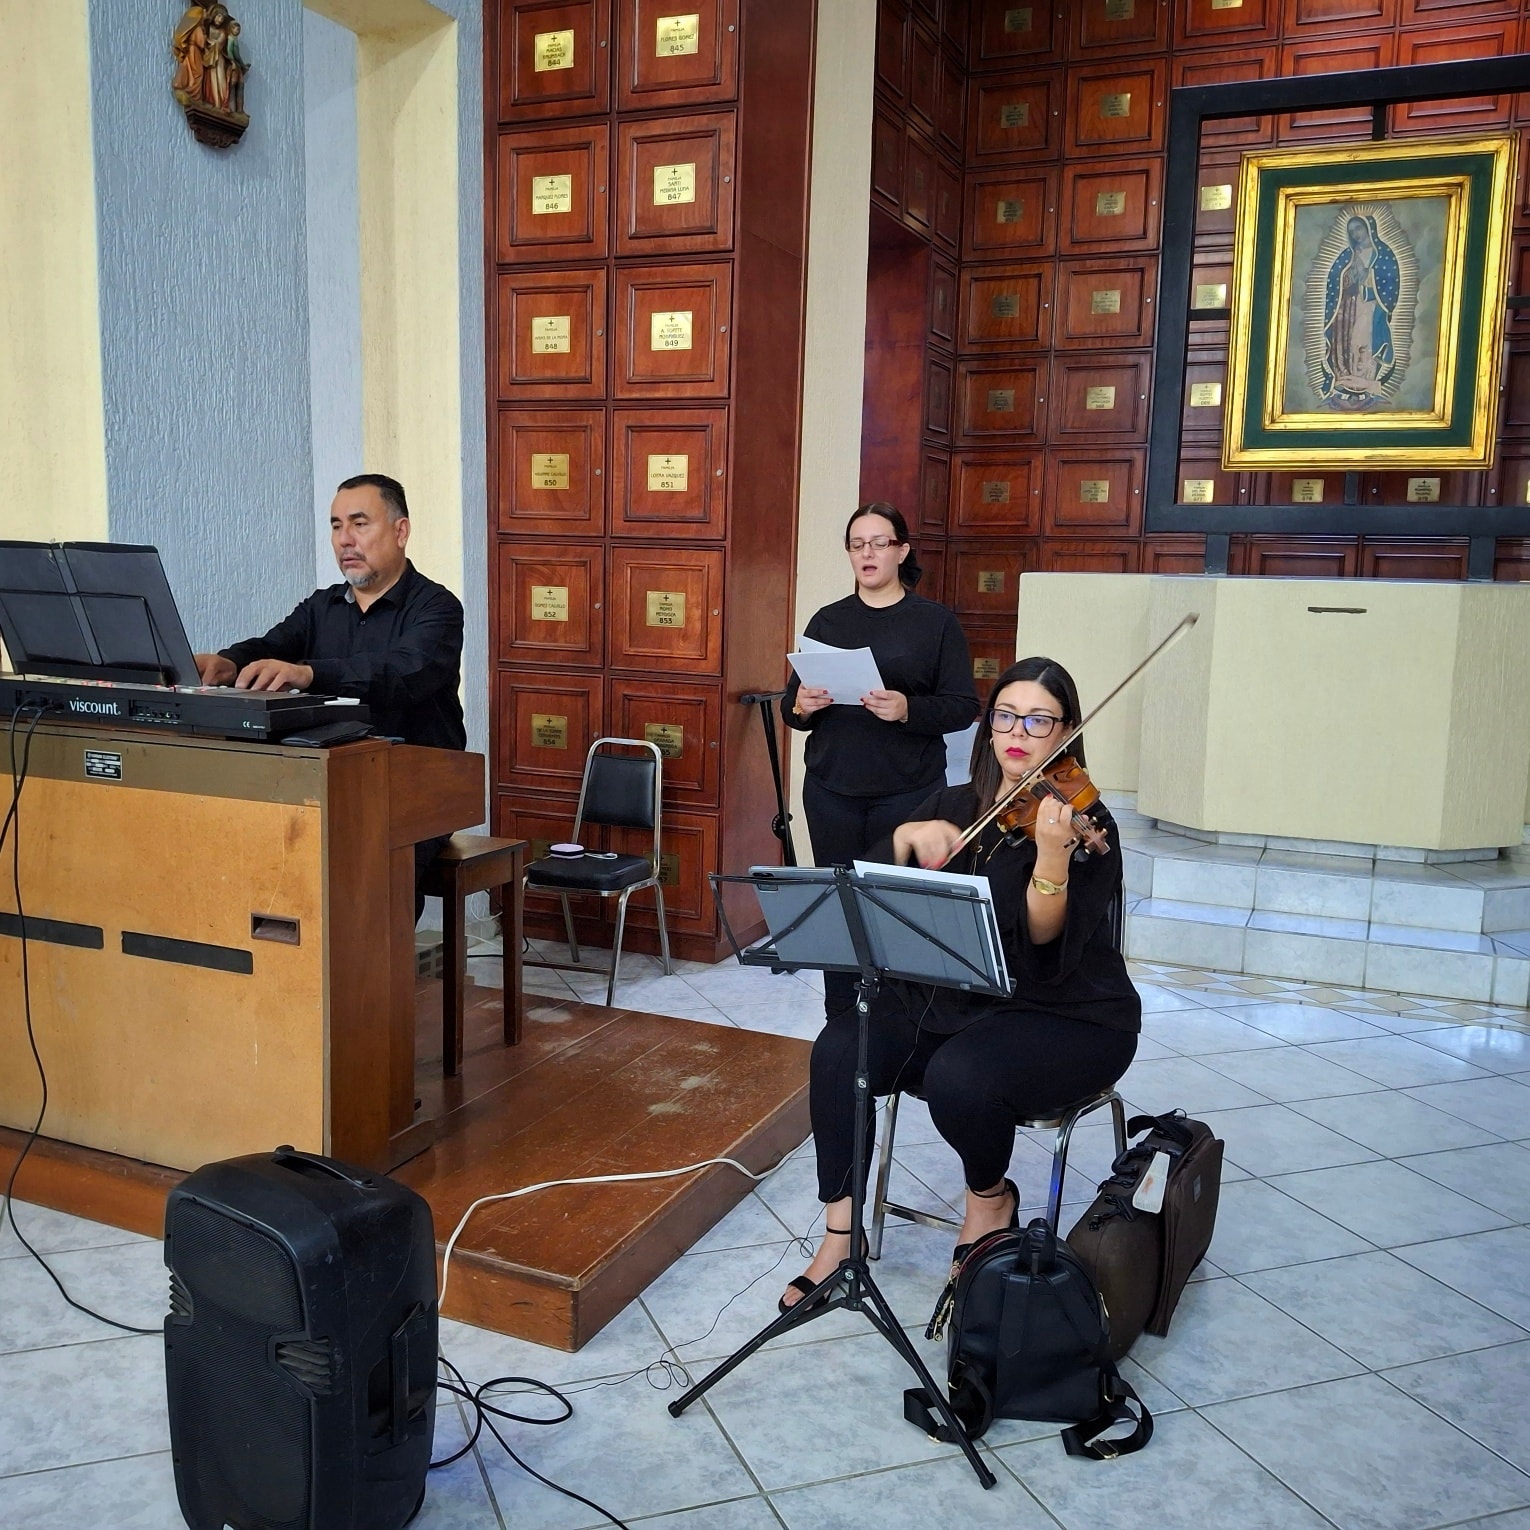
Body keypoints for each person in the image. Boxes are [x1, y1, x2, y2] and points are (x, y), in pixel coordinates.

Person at [781, 657, 1140, 1310]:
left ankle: (989, 1199)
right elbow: (882, 887)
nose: (1018, 731)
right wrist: (903, 835)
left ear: (1066, 733)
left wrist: (1052, 858)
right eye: (1006, 714)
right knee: (840, 1049)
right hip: (956, 1000)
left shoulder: (1086, 823)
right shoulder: (954, 802)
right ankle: (840, 1240)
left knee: (960, 1076)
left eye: (1038, 719)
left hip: (1067, 1013)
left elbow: (1043, 948)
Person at [194, 473, 466, 917]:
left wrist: (306, 674)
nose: (345, 540)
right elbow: (272, 645)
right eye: (336, 526)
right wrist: (228, 663)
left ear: (400, 532)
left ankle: (377, 982)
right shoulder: (323, 606)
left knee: (373, 879)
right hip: (330, 779)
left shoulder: (436, 607)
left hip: (414, 784)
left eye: (360, 524)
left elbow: (401, 674)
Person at [783, 503, 978, 1019]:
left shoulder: (934, 623)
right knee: (839, 907)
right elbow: (791, 706)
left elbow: (963, 706)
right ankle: (842, 1021)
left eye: (879, 543)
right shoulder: (828, 619)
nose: (867, 553)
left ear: (902, 550)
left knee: (894, 910)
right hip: (831, 792)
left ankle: (900, 1021)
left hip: (907, 792)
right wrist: (802, 706)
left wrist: (908, 707)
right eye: (857, 544)